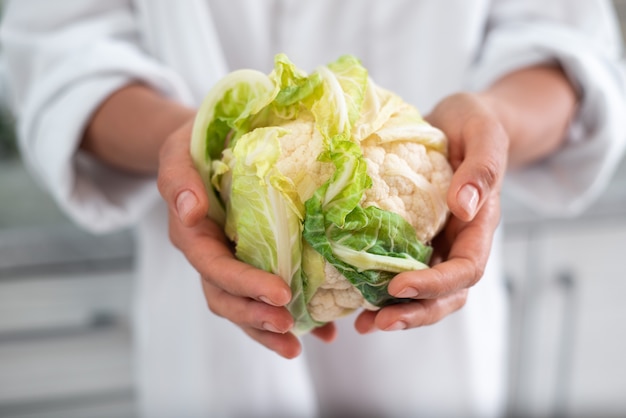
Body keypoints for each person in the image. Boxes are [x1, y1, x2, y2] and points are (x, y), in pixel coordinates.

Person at [2, 1, 625, 417]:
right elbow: (65, 55)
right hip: (208, 348)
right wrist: (190, 144)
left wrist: (497, 124)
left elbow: (567, 44)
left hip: (439, 353)